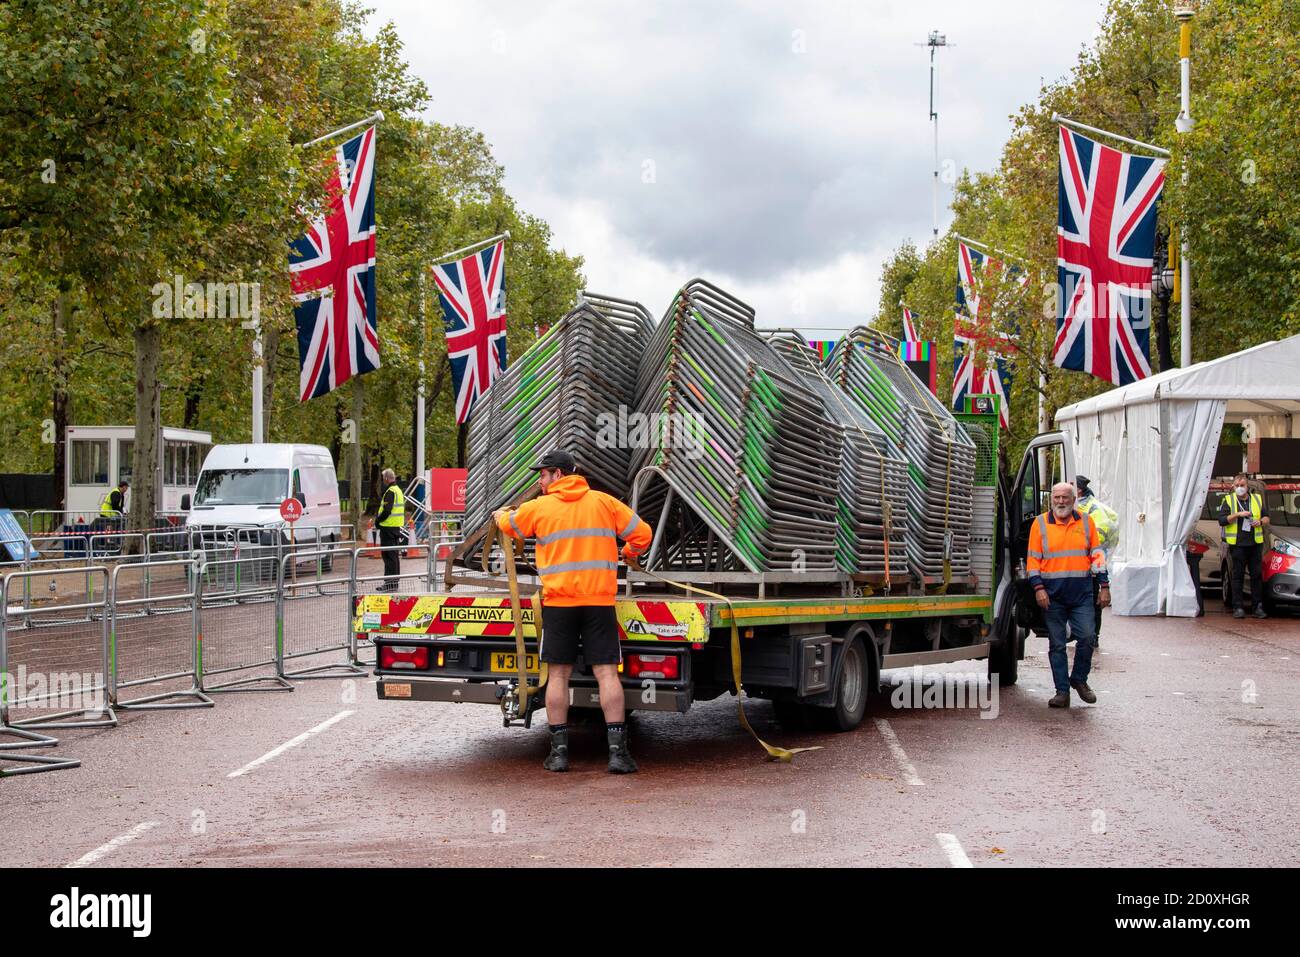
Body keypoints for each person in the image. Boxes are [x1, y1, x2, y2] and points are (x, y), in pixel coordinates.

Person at [494, 449, 653, 774]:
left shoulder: (539, 508)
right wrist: (628, 552)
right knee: (607, 674)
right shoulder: (604, 503)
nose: (539, 480)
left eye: (543, 474)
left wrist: (499, 514)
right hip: (599, 602)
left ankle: (560, 754)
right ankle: (617, 755)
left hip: (559, 604)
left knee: (558, 675)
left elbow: (509, 525)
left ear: (559, 474)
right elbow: (643, 534)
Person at [1028, 482, 1109, 709]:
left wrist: (1105, 586)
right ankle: (1062, 692)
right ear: (1051, 499)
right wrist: (1038, 589)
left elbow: (1097, 555)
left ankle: (1079, 679)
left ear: (1074, 500)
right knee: (1057, 645)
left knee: (1087, 638)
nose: (1060, 502)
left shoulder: (1086, 522)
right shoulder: (1040, 524)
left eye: (1065, 497)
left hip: (1081, 593)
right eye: (1057, 498)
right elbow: (1033, 561)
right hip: (1052, 595)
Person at [1075, 475, 1119, 652]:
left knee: (1093, 604)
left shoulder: (1092, 508)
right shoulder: (1075, 506)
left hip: (1090, 566)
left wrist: (1104, 583)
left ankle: (1093, 637)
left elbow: (1100, 537)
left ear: (1078, 489)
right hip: (1075, 567)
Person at [1218, 473, 1270, 619]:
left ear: (1247, 487)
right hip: (1238, 545)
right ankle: (1238, 607)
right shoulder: (1228, 500)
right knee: (1237, 576)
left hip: (1255, 544)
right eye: (1237, 486)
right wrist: (1237, 515)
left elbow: (1266, 517)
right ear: (1233, 486)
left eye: (1243, 486)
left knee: (1256, 576)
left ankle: (1257, 607)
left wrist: (1260, 522)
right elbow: (1222, 520)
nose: (1240, 488)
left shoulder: (1257, 499)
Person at [375, 468, 405, 591]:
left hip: (388, 527)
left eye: (383, 479)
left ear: (387, 479)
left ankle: (390, 584)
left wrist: (378, 521)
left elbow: (387, 510)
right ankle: (393, 583)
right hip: (395, 527)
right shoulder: (398, 490)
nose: (383, 481)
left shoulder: (390, 491)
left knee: (388, 556)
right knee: (394, 556)